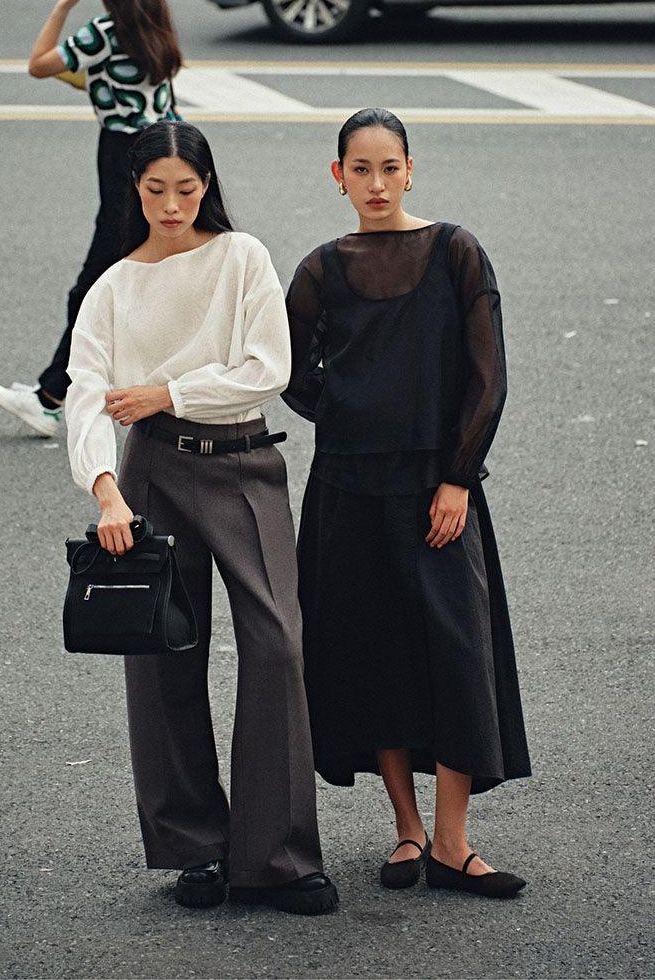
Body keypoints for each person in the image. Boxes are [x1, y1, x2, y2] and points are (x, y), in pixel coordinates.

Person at [64, 120, 338, 915]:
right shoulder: (113, 285)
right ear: (135, 190)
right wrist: (105, 490)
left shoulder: (241, 257)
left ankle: (278, 857)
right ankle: (195, 848)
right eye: (156, 190)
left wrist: (166, 390)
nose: (173, 204)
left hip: (246, 464)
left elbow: (268, 368)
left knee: (277, 643)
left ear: (207, 185)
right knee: (161, 657)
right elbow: (86, 393)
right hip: (151, 472)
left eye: (187, 188)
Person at [283, 108, 531, 899]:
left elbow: (487, 376)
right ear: (338, 176)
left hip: (437, 486)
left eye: (389, 167)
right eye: (360, 169)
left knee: (457, 653)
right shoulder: (320, 268)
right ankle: (406, 831)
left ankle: (454, 842)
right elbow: (291, 374)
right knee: (374, 653)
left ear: (411, 169)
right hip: (348, 489)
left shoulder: (456, 250)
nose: (377, 184)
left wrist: (457, 475)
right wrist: (357, 420)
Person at [0, 0, 182, 437]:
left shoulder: (105, 32)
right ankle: (113, 385)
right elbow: (127, 87)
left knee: (96, 282)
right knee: (143, 272)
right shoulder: (153, 20)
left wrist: (64, 3)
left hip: (123, 157)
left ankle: (52, 396)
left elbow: (38, 64)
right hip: (165, 148)